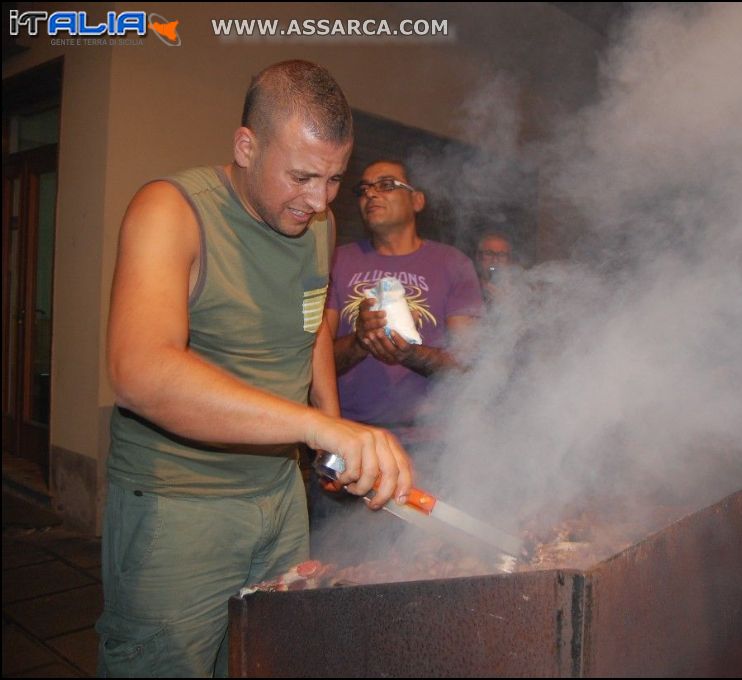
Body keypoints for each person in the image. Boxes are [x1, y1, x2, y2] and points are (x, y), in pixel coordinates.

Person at [98, 60, 412, 678]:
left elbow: (313, 320)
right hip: (179, 507)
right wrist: (319, 428)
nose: (319, 201)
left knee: (267, 663)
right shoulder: (171, 210)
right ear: (246, 145)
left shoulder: (316, 222)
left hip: (279, 499)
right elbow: (138, 371)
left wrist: (331, 426)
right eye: (301, 176)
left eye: (333, 180)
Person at [324, 160, 484, 458]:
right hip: (350, 439)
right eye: (363, 189)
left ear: (417, 200)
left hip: (429, 444)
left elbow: (467, 365)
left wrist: (411, 354)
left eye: (386, 185)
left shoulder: (452, 264)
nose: (371, 194)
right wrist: (361, 342)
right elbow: (316, 362)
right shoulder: (336, 261)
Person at [475, 230, 515, 305]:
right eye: (489, 254)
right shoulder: (468, 287)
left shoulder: (518, 289)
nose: (495, 260)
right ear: (478, 257)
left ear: (509, 261)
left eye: (502, 255)